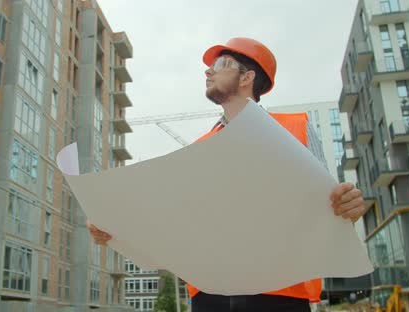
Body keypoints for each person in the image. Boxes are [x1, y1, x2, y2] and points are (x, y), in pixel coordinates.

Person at [86, 37, 367, 312]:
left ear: (247, 78)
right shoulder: (200, 148)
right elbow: (174, 222)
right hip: (211, 297)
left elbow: (331, 210)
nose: (209, 70)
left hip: (280, 296)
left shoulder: (295, 130)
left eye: (221, 63)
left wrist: (348, 207)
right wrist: (115, 230)